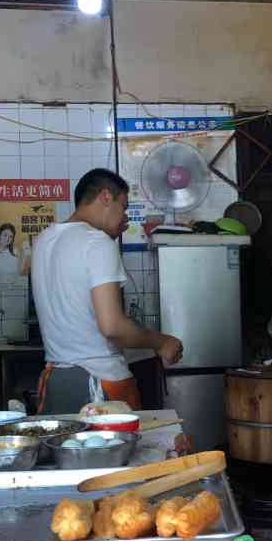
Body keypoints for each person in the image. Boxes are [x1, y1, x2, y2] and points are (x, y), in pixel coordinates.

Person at [32, 168, 183, 413]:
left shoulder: (44, 240)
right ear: (105, 197)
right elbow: (112, 327)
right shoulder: (96, 242)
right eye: (123, 206)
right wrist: (161, 341)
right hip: (101, 385)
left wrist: (108, 235)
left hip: (57, 380)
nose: (124, 216)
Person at [0, 222, 29, 292]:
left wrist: (25, 255)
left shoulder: (15, 252)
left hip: (13, 289)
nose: (8, 239)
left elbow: (19, 272)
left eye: (11, 236)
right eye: (5, 235)